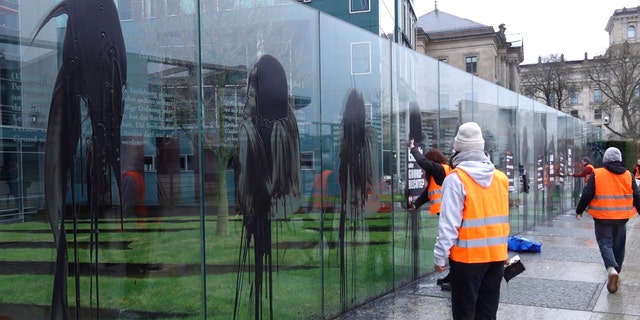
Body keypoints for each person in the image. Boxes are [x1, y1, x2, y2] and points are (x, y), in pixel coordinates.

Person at [433, 122, 510, 320]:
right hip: (496, 258)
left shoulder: (455, 179)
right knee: (487, 314)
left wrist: (440, 256)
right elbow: (502, 219)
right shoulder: (500, 178)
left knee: (464, 313)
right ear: (482, 148)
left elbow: (449, 225)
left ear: (456, 148)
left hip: (467, 260)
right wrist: (504, 251)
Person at [575, 147, 640, 293]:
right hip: (622, 217)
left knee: (605, 243)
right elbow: (637, 196)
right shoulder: (628, 175)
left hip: (602, 217)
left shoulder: (598, 173)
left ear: (605, 160)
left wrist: (579, 210)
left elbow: (587, 194)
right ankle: (617, 271)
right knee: (619, 246)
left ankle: (611, 270)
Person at [408, 140, 452, 290]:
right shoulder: (439, 174)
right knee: (451, 243)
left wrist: (413, 149)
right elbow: (428, 194)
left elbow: (423, 162)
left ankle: (455, 279)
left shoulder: (441, 169)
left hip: (448, 212)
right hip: (445, 211)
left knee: (451, 243)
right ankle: (453, 276)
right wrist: (415, 205)